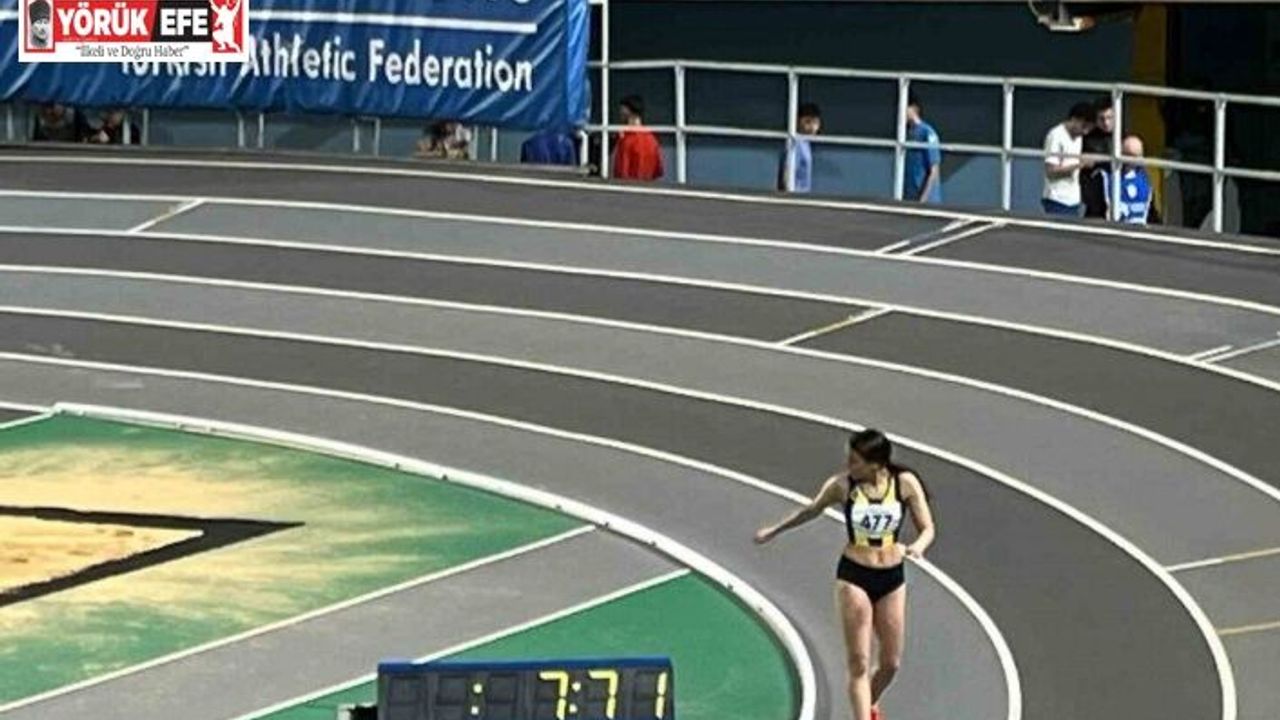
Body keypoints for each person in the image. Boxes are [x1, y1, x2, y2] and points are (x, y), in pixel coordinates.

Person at [755, 429, 936, 720]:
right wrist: (775, 530)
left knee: (891, 663)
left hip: (891, 578)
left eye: (855, 461)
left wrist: (918, 547)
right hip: (855, 576)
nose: (849, 466)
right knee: (859, 662)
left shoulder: (904, 483)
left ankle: (868, 706)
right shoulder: (841, 486)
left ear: (875, 464)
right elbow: (811, 510)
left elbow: (927, 528)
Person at [1041, 102, 1095, 216]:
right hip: (1056, 199)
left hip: (1073, 200)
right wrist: (1080, 165)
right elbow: (1050, 171)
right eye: (1084, 127)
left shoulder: (1079, 137)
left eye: (1088, 129)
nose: (1085, 132)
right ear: (1074, 119)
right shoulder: (1056, 136)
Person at [1102, 136, 1155, 225]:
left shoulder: (1146, 181)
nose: (1132, 160)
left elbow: (1151, 213)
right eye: (1128, 155)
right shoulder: (1105, 178)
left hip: (1139, 230)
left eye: (1136, 156)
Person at [612, 95, 663, 182]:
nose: (620, 115)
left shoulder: (627, 141)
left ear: (628, 112)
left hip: (628, 186)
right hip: (648, 185)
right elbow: (658, 170)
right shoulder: (652, 139)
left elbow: (622, 172)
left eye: (622, 112)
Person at [904, 93, 942, 203]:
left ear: (914, 108)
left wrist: (923, 200)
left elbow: (934, 169)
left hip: (926, 201)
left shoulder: (927, 132)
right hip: (910, 198)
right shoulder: (906, 134)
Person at [1081, 96, 1115, 218]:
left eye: (1110, 118)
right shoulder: (1087, 139)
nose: (1106, 123)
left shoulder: (1122, 137)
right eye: (1102, 119)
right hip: (1095, 194)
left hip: (1117, 192)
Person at [778, 102, 821, 193]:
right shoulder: (797, 143)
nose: (812, 127)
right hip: (795, 195)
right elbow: (787, 172)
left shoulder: (805, 143)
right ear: (798, 122)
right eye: (807, 122)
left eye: (815, 123)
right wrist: (788, 196)